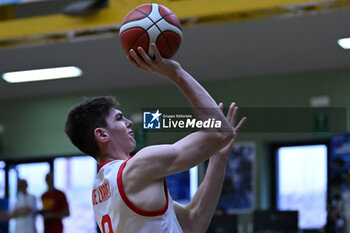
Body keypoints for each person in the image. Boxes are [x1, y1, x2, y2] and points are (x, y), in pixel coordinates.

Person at [64, 44, 246, 233]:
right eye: (119, 118)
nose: (128, 122)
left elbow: (193, 222)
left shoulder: (101, 189)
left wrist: (218, 159)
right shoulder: (138, 167)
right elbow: (220, 132)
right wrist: (177, 73)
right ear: (102, 134)